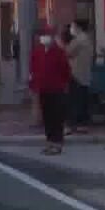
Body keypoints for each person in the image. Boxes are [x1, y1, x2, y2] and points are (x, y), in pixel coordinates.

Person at [31, 26, 72, 156]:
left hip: (57, 89)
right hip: (43, 88)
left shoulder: (58, 52)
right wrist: (33, 86)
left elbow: (66, 70)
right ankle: (50, 142)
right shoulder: (37, 52)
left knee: (57, 117)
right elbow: (33, 70)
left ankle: (57, 144)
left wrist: (63, 84)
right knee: (47, 117)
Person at [65, 20, 93, 135]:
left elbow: (67, 52)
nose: (71, 28)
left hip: (76, 74)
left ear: (78, 27)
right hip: (84, 74)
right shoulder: (87, 39)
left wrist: (58, 41)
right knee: (82, 100)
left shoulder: (79, 40)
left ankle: (72, 126)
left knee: (73, 101)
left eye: (72, 26)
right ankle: (83, 125)